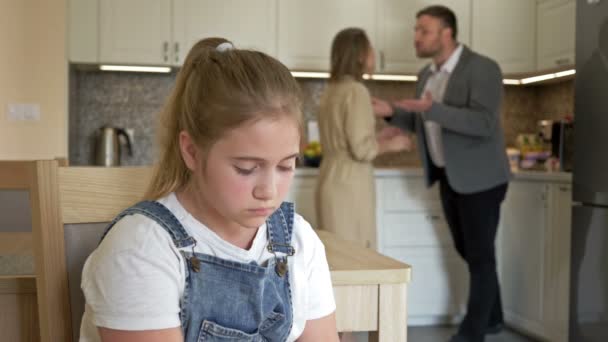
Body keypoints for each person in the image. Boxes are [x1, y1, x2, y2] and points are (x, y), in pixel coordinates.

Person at [79, 37, 340, 342]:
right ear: (191, 151)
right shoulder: (140, 250)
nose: (269, 191)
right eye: (246, 168)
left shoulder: (298, 239)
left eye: (286, 165)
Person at [372, 6, 511, 342]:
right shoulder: (425, 75)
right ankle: (494, 317)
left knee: (479, 255)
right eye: (416, 30)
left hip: (482, 179)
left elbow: (483, 123)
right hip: (448, 176)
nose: (416, 37)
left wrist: (432, 109)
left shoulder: (483, 68)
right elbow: (422, 122)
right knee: (471, 252)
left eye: (424, 30)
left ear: (447, 33)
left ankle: (471, 333)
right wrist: (392, 113)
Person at [315, 27, 412, 251]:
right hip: (350, 183)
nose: (373, 54)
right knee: (357, 256)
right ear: (360, 55)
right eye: (370, 49)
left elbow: (345, 141)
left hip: (329, 177)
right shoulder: (356, 91)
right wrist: (392, 144)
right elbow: (361, 151)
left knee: (335, 255)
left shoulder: (331, 90)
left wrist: (377, 137)